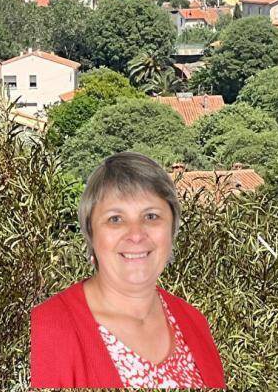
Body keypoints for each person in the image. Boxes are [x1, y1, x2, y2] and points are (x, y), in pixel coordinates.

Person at [30, 152, 225, 389]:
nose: (136, 234)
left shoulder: (194, 322)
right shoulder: (46, 328)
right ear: (91, 233)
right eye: (115, 219)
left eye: (151, 216)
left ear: (172, 229)